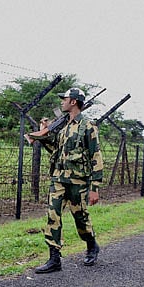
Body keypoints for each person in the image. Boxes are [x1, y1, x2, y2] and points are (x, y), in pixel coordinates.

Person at [34, 88, 103, 273]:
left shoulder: (88, 126)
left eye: (64, 99)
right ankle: (54, 259)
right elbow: (56, 151)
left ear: (73, 102)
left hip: (77, 181)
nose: (62, 102)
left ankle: (91, 245)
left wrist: (95, 187)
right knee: (53, 215)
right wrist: (44, 135)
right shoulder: (63, 127)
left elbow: (95, 155)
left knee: (80, 217)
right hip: (58, 178)